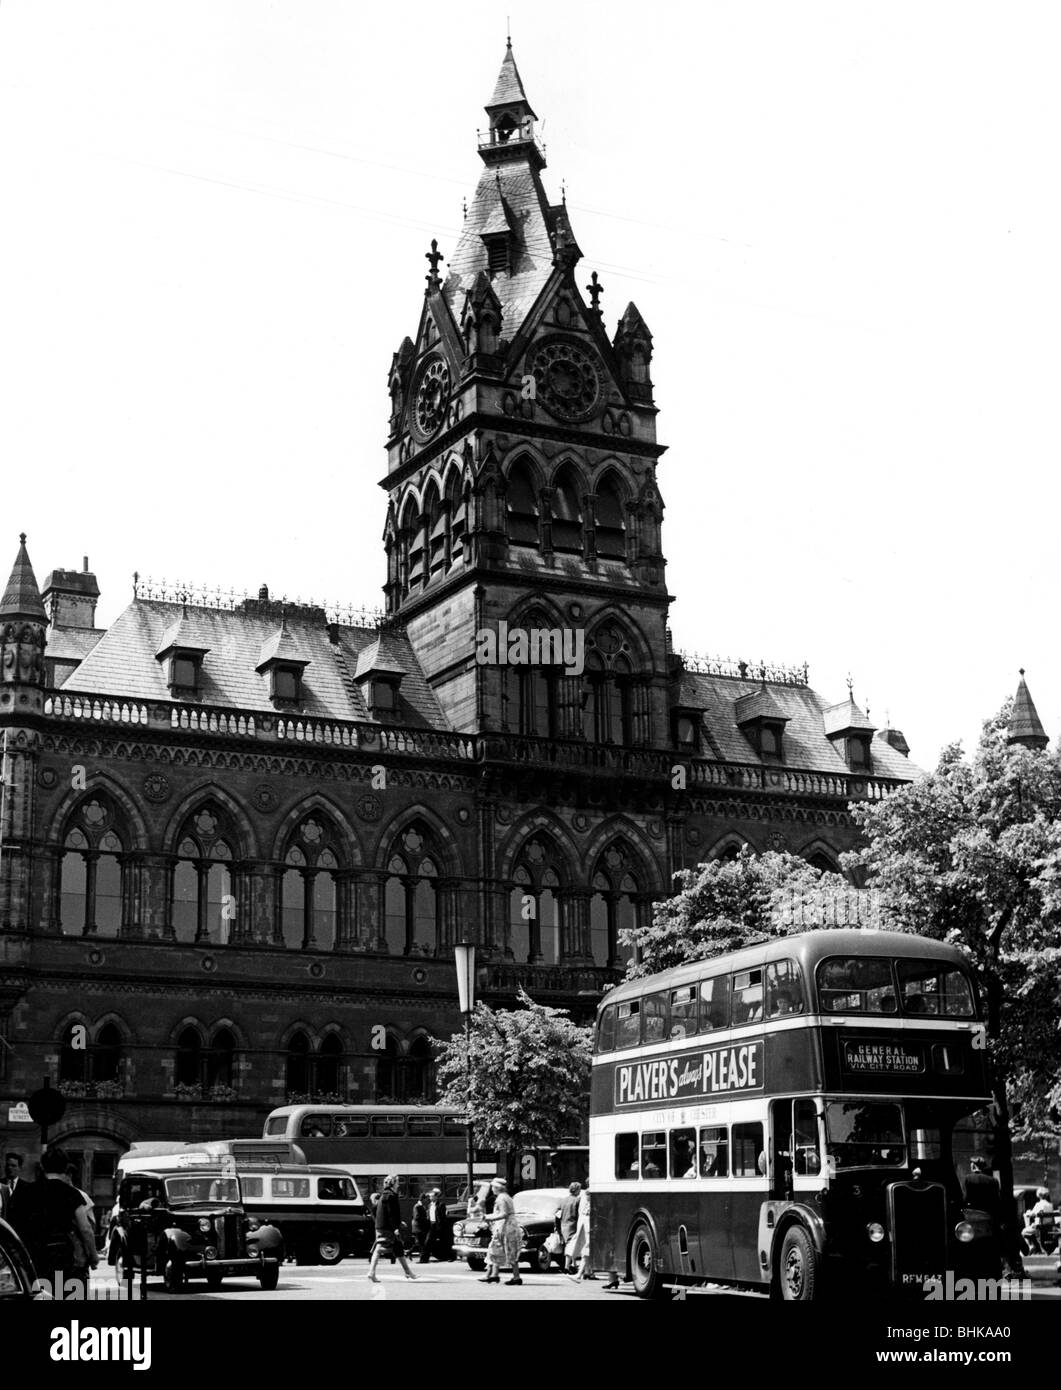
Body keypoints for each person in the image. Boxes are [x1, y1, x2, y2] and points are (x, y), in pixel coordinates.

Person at [26, 1148, 98, 1294]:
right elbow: (85, 1228)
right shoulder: (72, 1193)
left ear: (42, 1166)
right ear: (65, 1167)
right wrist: (93, 1255)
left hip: (34, 1256)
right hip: (63, 1256)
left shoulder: (26, 1191)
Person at [366, 1175, 416, 1283]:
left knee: (398, 1249)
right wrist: (395, 1228)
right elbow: (391, 1213)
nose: (398, 1184)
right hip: (387, 1228)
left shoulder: (385, 1195)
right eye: (397, 1182)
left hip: (382, 1226)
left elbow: (388, 1213)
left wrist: (399, 1223)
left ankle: (408, 1272)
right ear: (393, 1183)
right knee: (379, 1249)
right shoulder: (390, 1196)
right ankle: (371, 1272)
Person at [482, 1178, 522, 1286]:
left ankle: (515, 1277)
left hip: (505, 1226)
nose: (492, 1189)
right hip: (509, 1225)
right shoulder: (506, 1197)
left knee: (505, 1249)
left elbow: (503, 1214)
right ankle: (494, 1275)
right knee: (498, 1249)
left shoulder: (501, 1198)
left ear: (497, 1188)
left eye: (493, 1187)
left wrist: (489, 1218)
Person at [567, 1181, 594, 1282]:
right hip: (588, 1224)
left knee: (586, 1247)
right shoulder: (585, 1197)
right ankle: (584, 1272)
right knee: (586, 1248)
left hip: (588, 1224)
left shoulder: (584, 1197)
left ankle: (582, 1273)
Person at [1021, 1187, 1055, 1254]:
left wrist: (1028, 1213)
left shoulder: (1038, 1204)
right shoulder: (1050, 1205)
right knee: (1031, 1230)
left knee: (1024, 1232)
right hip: (1048, 1227)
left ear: (1039, 1195)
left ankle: (1031, 1245)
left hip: (1039, 1228)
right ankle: (1037, 1248)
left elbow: (1032, 1214)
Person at [420, 1188, 448, 1263]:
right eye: (430, 1196)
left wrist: (440, 1227)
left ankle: (445, 1257)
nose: (430, 1198)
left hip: (437, 1226)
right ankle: (424, 1259)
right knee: (427, 1242)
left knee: (440, 1242)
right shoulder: (429, 1205)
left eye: (432, 1196)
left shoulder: (441, 1205)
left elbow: (442, 1217)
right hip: (431, 1225)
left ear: (436, 1197)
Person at [559, 1182, 581, 1273]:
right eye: (579, 1189)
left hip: (563, 1225)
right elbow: (579, 1213)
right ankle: (567, 1267)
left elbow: (558, 1213)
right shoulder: (577, 1200)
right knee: (571, 1245)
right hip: (572, 1224)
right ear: (577, 1190)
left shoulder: (563, 1200)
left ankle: (573, 1265)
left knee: (569, 1245)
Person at [410, 1190, 430, 1259]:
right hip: (418, 1228)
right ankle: (422, 1258)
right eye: (426, 1199)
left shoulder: (421, 1206)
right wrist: (426, 1219)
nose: (427, 1201)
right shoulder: (417, 1206)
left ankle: (410, 1252)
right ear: (423, 1199)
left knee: (420, 1243)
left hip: (420, 1228)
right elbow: (417, 1217)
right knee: (421, 1244)